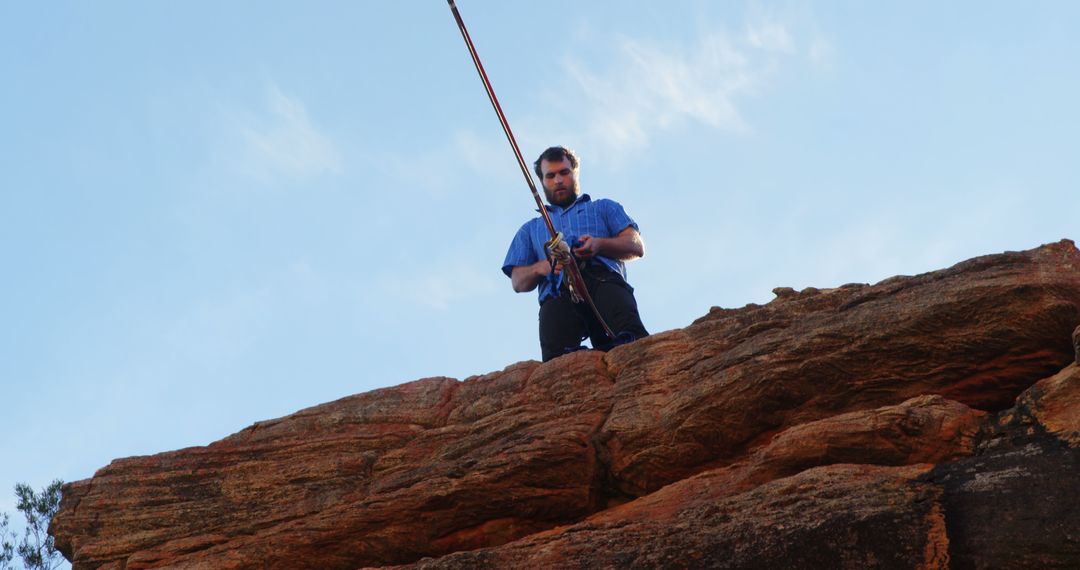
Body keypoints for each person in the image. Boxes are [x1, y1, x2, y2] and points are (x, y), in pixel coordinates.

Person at [502, 146, 649, 362]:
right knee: (556, 363)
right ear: (542, 181)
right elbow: (518, 282)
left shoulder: (604, 208)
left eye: (564, 172)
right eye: (550, 176)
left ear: (575, 173)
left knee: (633, 341)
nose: (558, 180)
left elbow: (635, 245)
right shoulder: (530, 229)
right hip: (557, 294)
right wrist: (542, 266)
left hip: (603, 281)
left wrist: (599, 245)